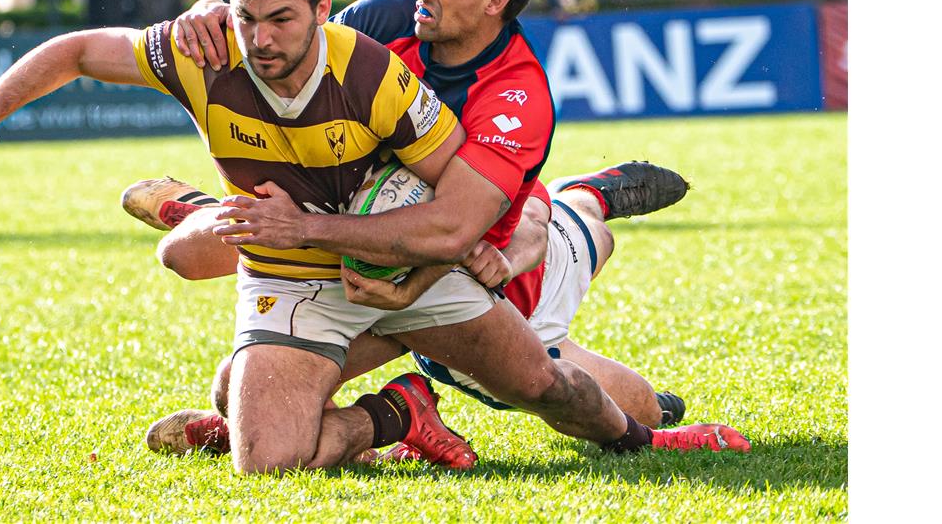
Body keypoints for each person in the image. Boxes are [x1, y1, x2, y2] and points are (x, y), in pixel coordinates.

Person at [123, 0, 749, 468]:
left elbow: (484, 232)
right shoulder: (383, 21)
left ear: (493, 0)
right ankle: (391, 411)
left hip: (491, 276)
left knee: (614, 370)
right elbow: (289, 57)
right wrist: (216, 15)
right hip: (373, 252)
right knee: (229, 369)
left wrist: (434, 273)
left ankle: (591, 199)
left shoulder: (515, 95)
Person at [0, 0, 489, 474]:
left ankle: (215, 233)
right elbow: (79, 50)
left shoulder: (466, 82)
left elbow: (481, 193)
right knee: (190, 280)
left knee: (556, 387)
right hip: (303, 252)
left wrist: (497, 240)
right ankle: (391, 415)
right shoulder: (347, 21)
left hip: (416, 251)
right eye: (246, 17)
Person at [141, 163, 699, 461]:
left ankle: (590, 194)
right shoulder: (325, 165)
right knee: (232, 383)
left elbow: (523, 214)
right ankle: (388, 417)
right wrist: (216, 216)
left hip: (521, 304)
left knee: (641, 405)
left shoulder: (446, 138)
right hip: (402, 314)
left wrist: (505, 253)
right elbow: (191, 257)